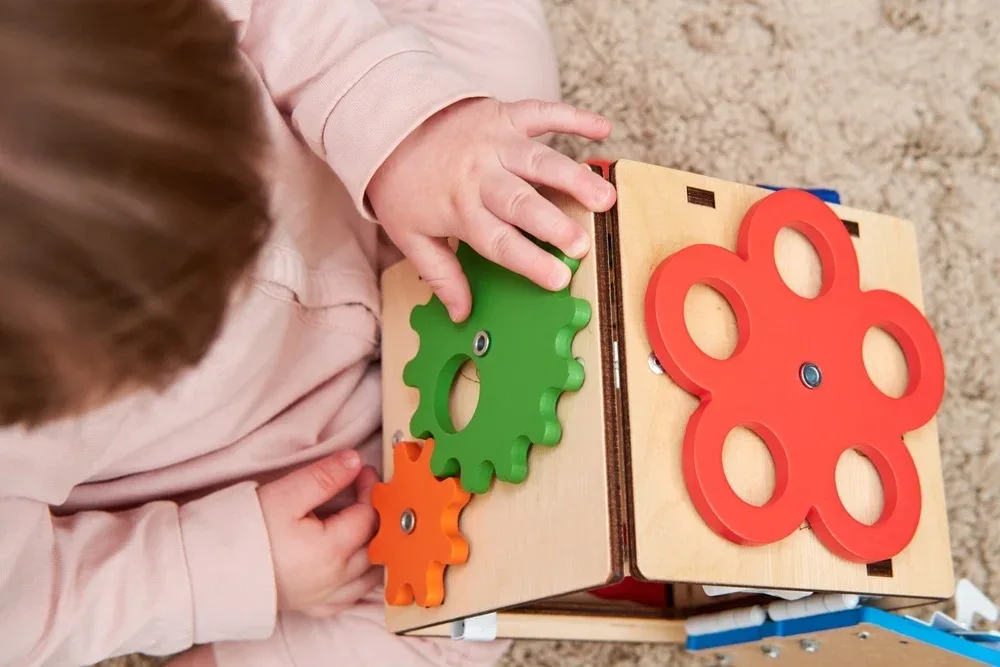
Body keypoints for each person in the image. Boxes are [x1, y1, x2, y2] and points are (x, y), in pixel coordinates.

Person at [0, 0, 616, 666]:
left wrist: (407, 127)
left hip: (359, 174)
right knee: (469, 613)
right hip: (303, 468)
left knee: (505, 70)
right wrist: (230, 564)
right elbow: (26, 605)